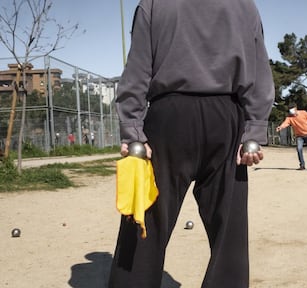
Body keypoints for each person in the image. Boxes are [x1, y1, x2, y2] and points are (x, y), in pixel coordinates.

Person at [108, 0, 274, 287]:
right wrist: (254, 130)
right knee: (229, 230)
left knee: (146, 218)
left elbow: (137, 68)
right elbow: (259, 69)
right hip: (226, 117)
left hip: (168, 117)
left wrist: (132, 130)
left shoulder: (154, 3)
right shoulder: (244, 5)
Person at [276, 103, 307, 170]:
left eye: (292, 110)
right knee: (299, 149)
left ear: (296, 109)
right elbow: (285, 123)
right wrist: (280, 127)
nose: (291, 112)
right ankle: (302, 165)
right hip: (299, 136)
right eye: (290, 110)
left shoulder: (304, 113)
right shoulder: (289, 118)